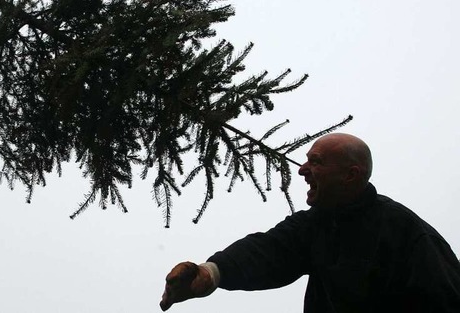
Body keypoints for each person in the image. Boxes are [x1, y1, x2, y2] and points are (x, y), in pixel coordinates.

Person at [159, 133, 460, 312]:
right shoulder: (314, 226)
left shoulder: (405, 231)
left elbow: (444, 299)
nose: (302, 170)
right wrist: (211, 273)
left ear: (350, 175)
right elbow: (269, 251)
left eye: (316, 161)